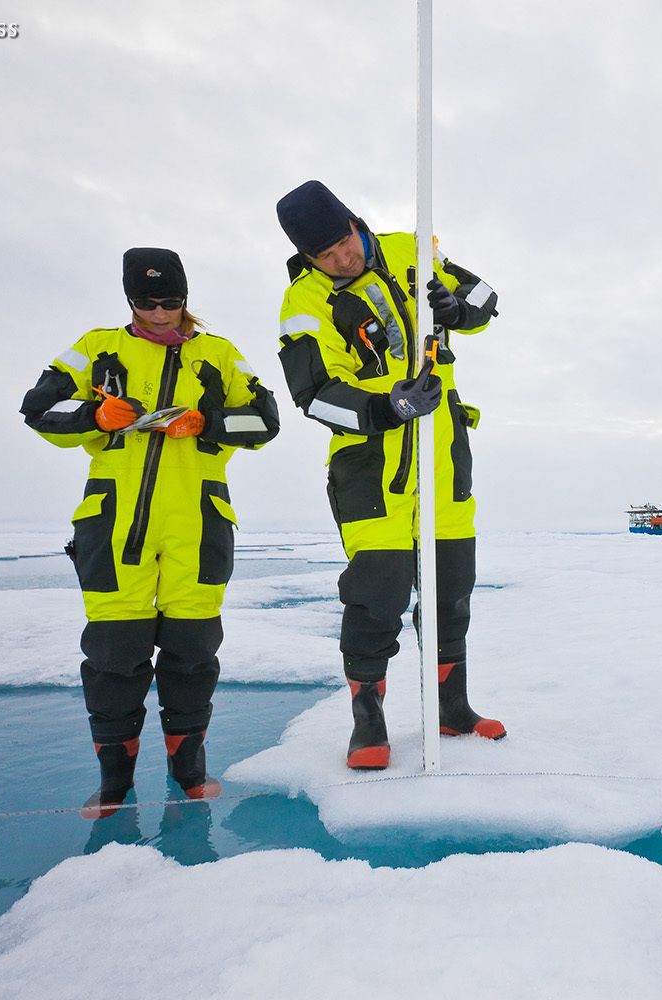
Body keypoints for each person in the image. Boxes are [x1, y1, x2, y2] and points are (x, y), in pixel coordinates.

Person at [20, 248, 280, 818]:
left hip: (198, 527)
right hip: (113, 528)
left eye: (171, 302)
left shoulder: (218, 354)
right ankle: (114, 782)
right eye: (146, 302)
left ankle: (188, 771)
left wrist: (204, 422)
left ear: (186, 301)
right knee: (115, 654)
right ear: (129, 300)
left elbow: (266, 420)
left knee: (192, 653)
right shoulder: (96, 347)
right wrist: (95, 416)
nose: (159, 314)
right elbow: (36, 408)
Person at [274, 179, 504, 770]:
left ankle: (453, 708)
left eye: (344, 243)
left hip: (444, 453)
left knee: (452, 586)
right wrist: (386, 407)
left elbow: (484, 299)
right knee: (378, 594)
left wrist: (456, 307)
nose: (342, 259)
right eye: (325, 257)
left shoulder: (412, 250)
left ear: (355, 222)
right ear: (308, 259)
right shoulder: (304, 304)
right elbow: (313, 395)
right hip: (370, 466)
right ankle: (368, 722)